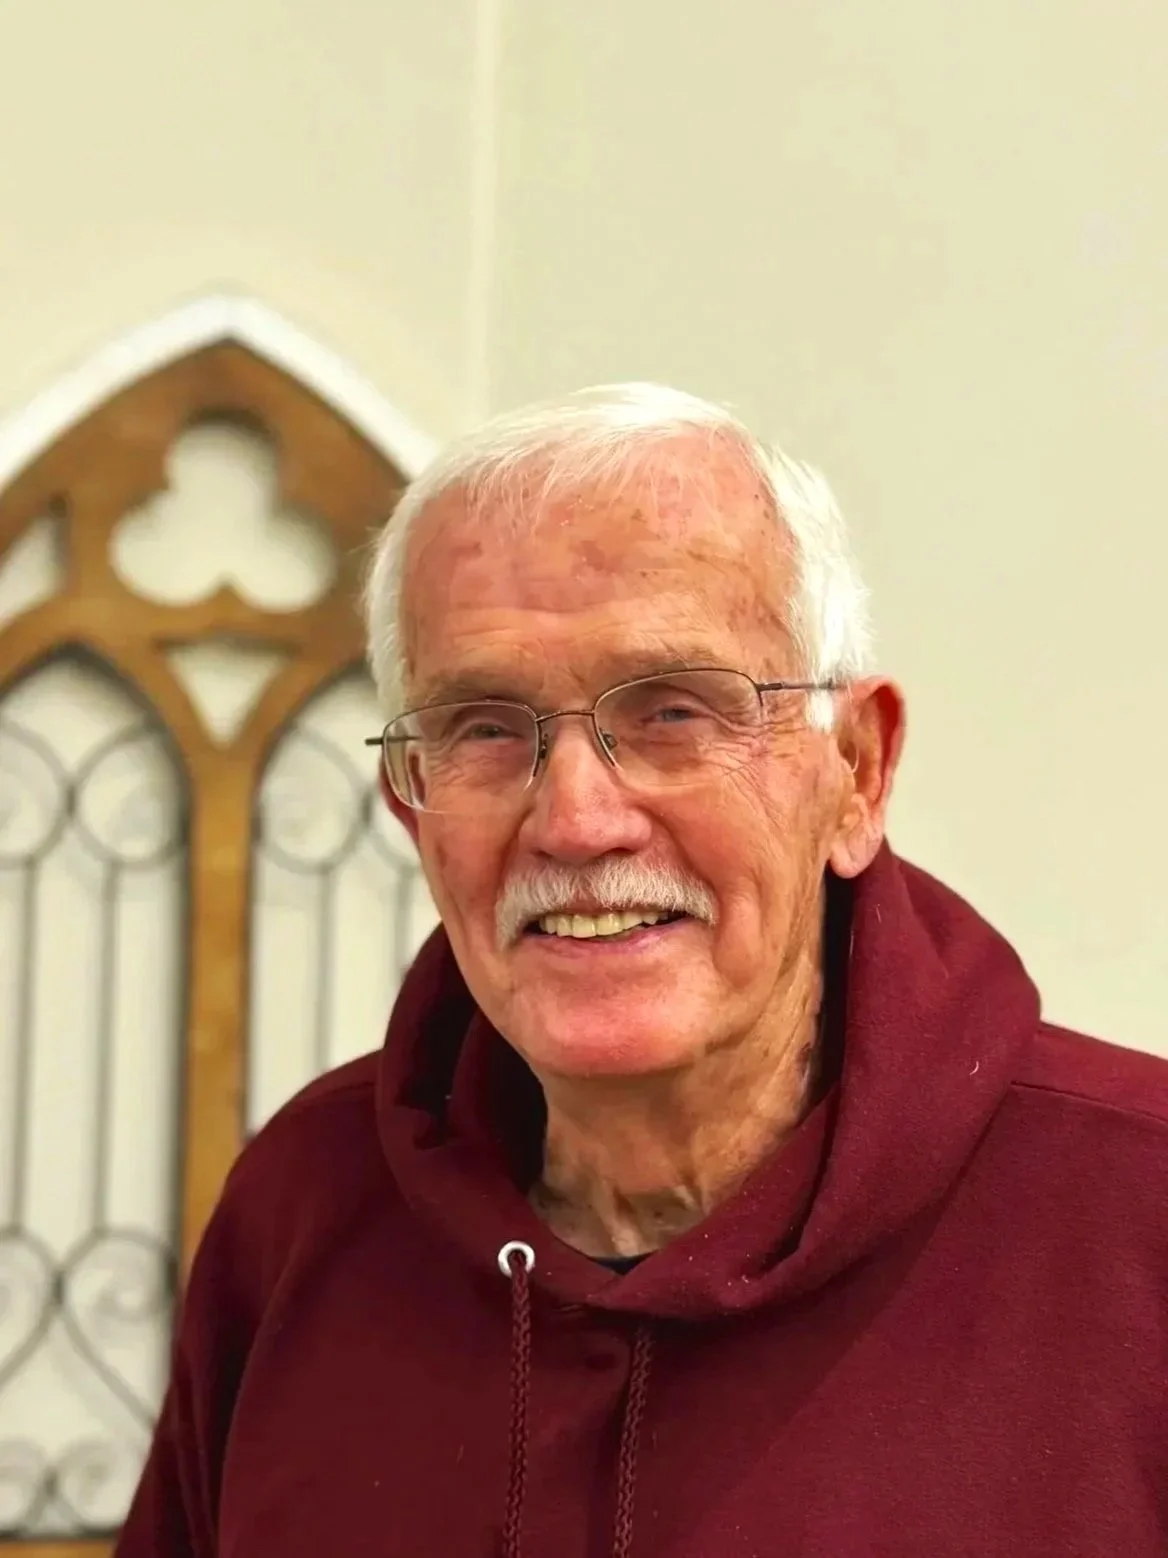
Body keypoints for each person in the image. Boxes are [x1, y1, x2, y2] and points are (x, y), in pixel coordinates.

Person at [116, 385, 1168, 1558]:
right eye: (483, 726)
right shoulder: (305, 1211)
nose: (575, 820)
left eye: (674, 710)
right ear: (412, 809)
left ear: (856, 774)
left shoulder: (1137, 1223)